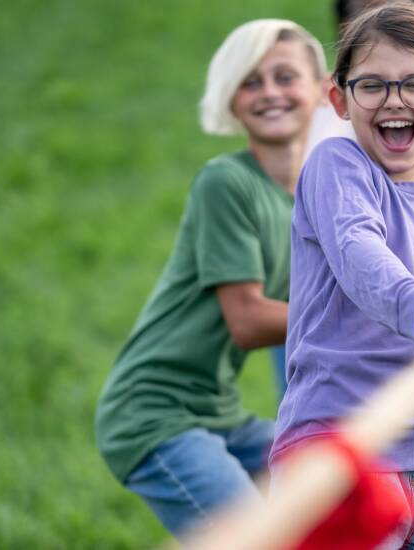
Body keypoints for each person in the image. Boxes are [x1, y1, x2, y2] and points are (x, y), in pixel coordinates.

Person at [269, 4, 414, 547]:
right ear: (340, 100)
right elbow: (359, 252)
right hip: (339, 452)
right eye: (372, 85)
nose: (394, 100)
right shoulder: (334, 165)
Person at [94, 20, 325, 538]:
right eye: (250, 81)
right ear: (232, 99)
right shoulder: (226, 182)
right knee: (258, 540)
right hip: (154, 412)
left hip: (221, 414)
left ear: (322, 89)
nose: (270, 92)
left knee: (335, 489)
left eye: (286, 76)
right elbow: (247, 319)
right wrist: (362, 320)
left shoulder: (313, 199)